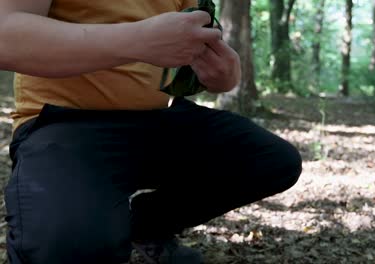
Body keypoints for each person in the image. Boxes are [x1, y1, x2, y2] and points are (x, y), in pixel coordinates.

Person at [0, 0, 303, 263]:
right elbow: (6, 35)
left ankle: (145, 227)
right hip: (64, 124)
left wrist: (224, 75)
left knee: (272, 160)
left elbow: (190, 52)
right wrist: (138, 39)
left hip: (159, 118)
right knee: (71, 247)